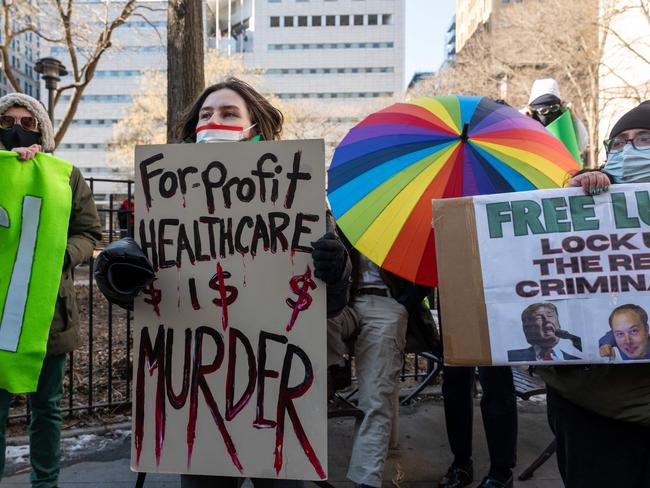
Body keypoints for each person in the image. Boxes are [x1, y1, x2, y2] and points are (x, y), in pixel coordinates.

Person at [95, 78, 350, 488]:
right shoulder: (163, 198)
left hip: (275, 387)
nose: (214, 121)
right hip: (197, 389)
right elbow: (143, 299)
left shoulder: (298, 199)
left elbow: (332, 305)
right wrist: (119, 276)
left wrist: (335, 269)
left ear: (256, 129)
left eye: (230, 113)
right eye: (206, 114)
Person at [539, 101, 650, 488]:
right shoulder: (586, 195)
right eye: (618, 144)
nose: (629, 150)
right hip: (590, 408)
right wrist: (568, 202)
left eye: (643, 139)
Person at [0, 93, 101, 487]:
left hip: (49, 311)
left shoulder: (63, 175)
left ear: (42, 129)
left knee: (47, 409)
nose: (17, 130)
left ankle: (46, 483)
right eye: (7, 121)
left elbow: (89, 232)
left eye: (28, 122)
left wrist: (56, 255)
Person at [327, 235, 435, 488]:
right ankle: (334, 371)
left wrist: (404, 305)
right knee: (318, 318)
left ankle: (365, 479)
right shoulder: (341, 225)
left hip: (386, 303)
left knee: (377, 395)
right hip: (347, 303)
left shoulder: (403, 230)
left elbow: (427, 271)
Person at [524, 78, 588, 161]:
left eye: (554, 108)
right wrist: (520, 118)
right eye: (543, 110)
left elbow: (582, 145)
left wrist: (572, 116)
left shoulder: (567, 122)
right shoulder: (527, 122)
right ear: (533, 110)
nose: (549, 113)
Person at [507, 303, 582, 362]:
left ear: (558, 324)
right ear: (527, 328)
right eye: (538, 317)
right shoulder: (510, 357)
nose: (547, 320)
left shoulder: (577, 361)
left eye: (550, 316)